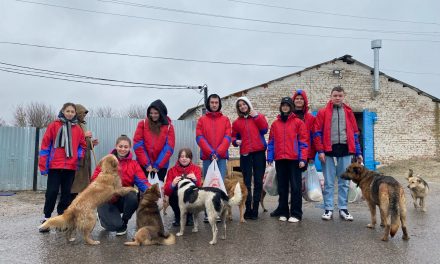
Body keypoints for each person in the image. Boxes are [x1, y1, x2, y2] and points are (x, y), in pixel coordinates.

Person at [313, 86, 363, 221]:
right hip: (328, 151)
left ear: (343, 96)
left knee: (344, 182)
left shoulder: (348, 112)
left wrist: (358, 151)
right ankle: (328, 209)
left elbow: (355, 133)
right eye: (335, 95)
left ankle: (343, 208)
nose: (337, 98)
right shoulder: (323, 112)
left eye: (340, 95)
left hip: (346, 150)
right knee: (329, 182)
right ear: (331, 96)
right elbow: (317, 133)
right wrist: (320, 151)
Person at [38, 102, 87, 232]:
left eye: (72, 111)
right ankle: (46, 218)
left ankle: (62, 218)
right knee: (52, 192)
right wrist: (43, 166)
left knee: (66, 194)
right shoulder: (54, 125)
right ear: (63, 111)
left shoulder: (77, 128)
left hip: (70, 167)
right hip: (55, 166)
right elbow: (45, 146)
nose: (70, 113)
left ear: (75, 113)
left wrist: (78, 156)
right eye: (68, 111)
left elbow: (82, 145)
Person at [93, 135, 149, 235]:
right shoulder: (106, 161)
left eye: (126, 147)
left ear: (129, 148)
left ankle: (125, 221)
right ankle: (103, 217)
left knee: (132, 194)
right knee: (114, 227)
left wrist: (152, 191)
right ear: (116, 146)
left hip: (122, 198)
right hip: (106, 199)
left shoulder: (134, 164)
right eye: (120, 146)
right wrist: (100, 178)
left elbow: (142, 181)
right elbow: (93, 180)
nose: (123, 149)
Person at [267, 97, 308, 223]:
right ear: (281, 107)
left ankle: (296, 213)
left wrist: (303, 158)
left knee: (296, 187)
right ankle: (284, 211)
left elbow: (303, 142)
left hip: (294, 159)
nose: (285, 107)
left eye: (287, 105)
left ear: (291, 107)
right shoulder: (275, 124)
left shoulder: (298, 123)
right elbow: (271, 142)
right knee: (282, 187)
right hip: (280, 159)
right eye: (283, 105)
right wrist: (269, 156)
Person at [231, 96, 268, 220]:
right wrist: (236, 142)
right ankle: (248, 209)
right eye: (240, 105)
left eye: (244, 104)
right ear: (238, 108)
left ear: (248, 104)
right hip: (245, 154)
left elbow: (264, 130)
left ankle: (255, 209)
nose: (242, 107)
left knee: (258, 182)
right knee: (246, 182)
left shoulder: (258, 117)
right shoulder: (236, 122)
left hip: (259, 153)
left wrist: (256, 116)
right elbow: (233, 137)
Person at [133, 99, 175, 182]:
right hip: (143, 164)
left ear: (161, 113)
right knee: (143, 189)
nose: (153, 115)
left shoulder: (169, 127)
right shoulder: (142, 124)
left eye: (156, 113)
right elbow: (138, 144)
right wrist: (146, 164)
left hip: (161, 166)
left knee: (158, 191)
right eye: (151, 113)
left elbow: (169, 148)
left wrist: (157, 165)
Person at [164, 148, 202, 227]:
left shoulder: (196, 169)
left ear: (190, 158)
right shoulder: (172, 170)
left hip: (191, 196)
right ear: (178, 158)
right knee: (173, 195)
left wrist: (195, 180)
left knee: (194, 194)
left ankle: (190, 216)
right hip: (177, 197)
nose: (184, 158)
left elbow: (199, 187)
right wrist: (173, 184)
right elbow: (167, 191)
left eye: (187, 156)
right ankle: (178, 216)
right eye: (182, 156)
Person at [196, 94, 231, 179]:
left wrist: (218, 153)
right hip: (207, 157)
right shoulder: (201, 120)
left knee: (220, 183)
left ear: (219, 104)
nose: (214, 105)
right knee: (208, 184)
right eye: (212, 102)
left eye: (216, 102)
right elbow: (199, 138)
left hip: (221, 157)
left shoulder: (225, 119)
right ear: (208, 103)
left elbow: (227, 137)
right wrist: (211, 153)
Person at [70, 104, 99, 201]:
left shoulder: (82, 125)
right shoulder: (72, 125)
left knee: (83, 185)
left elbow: (83, 143)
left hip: (85, 159)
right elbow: (71, 141)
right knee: (74, 185)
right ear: (78, 113)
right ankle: (70, 204)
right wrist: (84, 135)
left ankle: (79, 206)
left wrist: (91, 144)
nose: (84, 116)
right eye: (83, 114)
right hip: (77, 159)